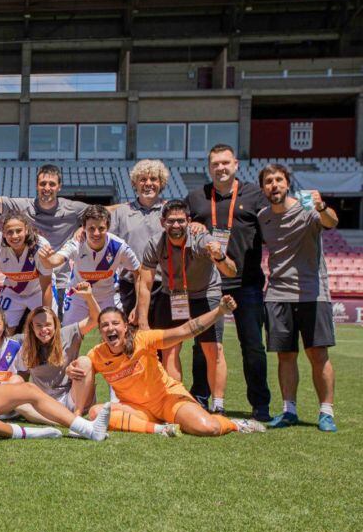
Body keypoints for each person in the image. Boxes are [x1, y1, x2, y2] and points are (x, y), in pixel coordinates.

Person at [67, 299, 266, 436]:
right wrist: (70, 370)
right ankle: (159, 429)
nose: (110, 328)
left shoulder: (144, 339)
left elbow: (185, 330)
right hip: (137, 409)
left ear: (125, 326)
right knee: (95, 412)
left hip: (167, 399)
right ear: (100, 331)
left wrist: (220, 311)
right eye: (105, 325)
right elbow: (82, 368)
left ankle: (236, 424)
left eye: (115, 323)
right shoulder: (98, 353)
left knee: (208, 428)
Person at [184, 143, 271, 420]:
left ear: (236, 165)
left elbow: (273, 228)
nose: (220, 168)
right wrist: (191, 226)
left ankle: (260, 405)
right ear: (208, 168)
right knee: (204, 345)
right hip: (208, 284)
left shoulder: (256, 196)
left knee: (253, 345)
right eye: (215, 164)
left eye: (225, 163)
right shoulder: (196, 198)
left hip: (247, 283)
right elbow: (180, 230)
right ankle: (200, 398)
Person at [256, 164, 340, 432]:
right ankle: (289, 410)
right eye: (268, 181)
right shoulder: (263, 216)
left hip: (312, 292)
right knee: (285, 355)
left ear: (287, 183)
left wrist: (322, 206)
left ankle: (326, 412)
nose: (274, 185)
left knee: (318, 354)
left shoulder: (307, 206)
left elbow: (331, 222)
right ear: (263, 188)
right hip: (278, 293)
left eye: (278, 180)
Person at [136, 200, 237, 413]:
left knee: (213, 349)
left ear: (189, 221)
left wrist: (219, 255)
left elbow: (231, 271)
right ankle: (177, 399)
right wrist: (143, 322)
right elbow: (144, 284)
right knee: (169, 348)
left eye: (181, 221)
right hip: (172, 295)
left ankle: (218, 405)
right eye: (171, 221)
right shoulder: (155, 243)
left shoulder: (202, 239)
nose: (176, 225)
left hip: (205, 294)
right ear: (162, 222)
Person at [0, 157, 90, 309]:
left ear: (59, 187)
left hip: (59, 281)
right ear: (36, 185)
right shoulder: (22, 207)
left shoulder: (73, 209)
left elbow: (101, 214)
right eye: (42, 183)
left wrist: (84, 226)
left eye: (52, 184)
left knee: (53, 330)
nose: (46, 188)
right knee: (16, 331)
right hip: (27, 282)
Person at [9, 282, 102, 421]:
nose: (43, 329)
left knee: (85, 362)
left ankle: (76, 417)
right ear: (32, 328)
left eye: (48, 325)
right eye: (38, 326)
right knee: (14, 381)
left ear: (55, 325)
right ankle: (59, 421)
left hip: (71, 398)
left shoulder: (68, 333)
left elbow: (95, 319)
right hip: (43, 403)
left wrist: (89, 297)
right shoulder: (25, 341)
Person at [39, 205, 140, 326]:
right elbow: (56, 260)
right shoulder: (77, 243)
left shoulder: (119, 246)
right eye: (91, 228)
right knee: (69, 336)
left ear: (108, 227)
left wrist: (138, 306)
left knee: (117, 335)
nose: (96, 233)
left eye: (101, 228)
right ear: (84, 228)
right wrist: (46, 259)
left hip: (107, 297)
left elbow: (138, 272)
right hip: (78, 296)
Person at [0, 211, 53, 333]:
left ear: (26, 230)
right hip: (13, 291)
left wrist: (47, 314)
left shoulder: (41, 246)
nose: (14, 236)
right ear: (4, 233)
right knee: (3, 332)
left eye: (18, 231)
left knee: (46, 329)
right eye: (9, 232)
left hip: (38, 291)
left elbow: (46, 285)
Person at [111, 159, 169, 319]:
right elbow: (108, 244)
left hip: (162, 283)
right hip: (129, 284)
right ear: (134, 184)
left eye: (153, 179)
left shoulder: (169, 211)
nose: (148, 183)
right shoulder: (121, 212)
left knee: (161, 337)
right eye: (143, 179)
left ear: (161, 183)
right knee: (132, 335)